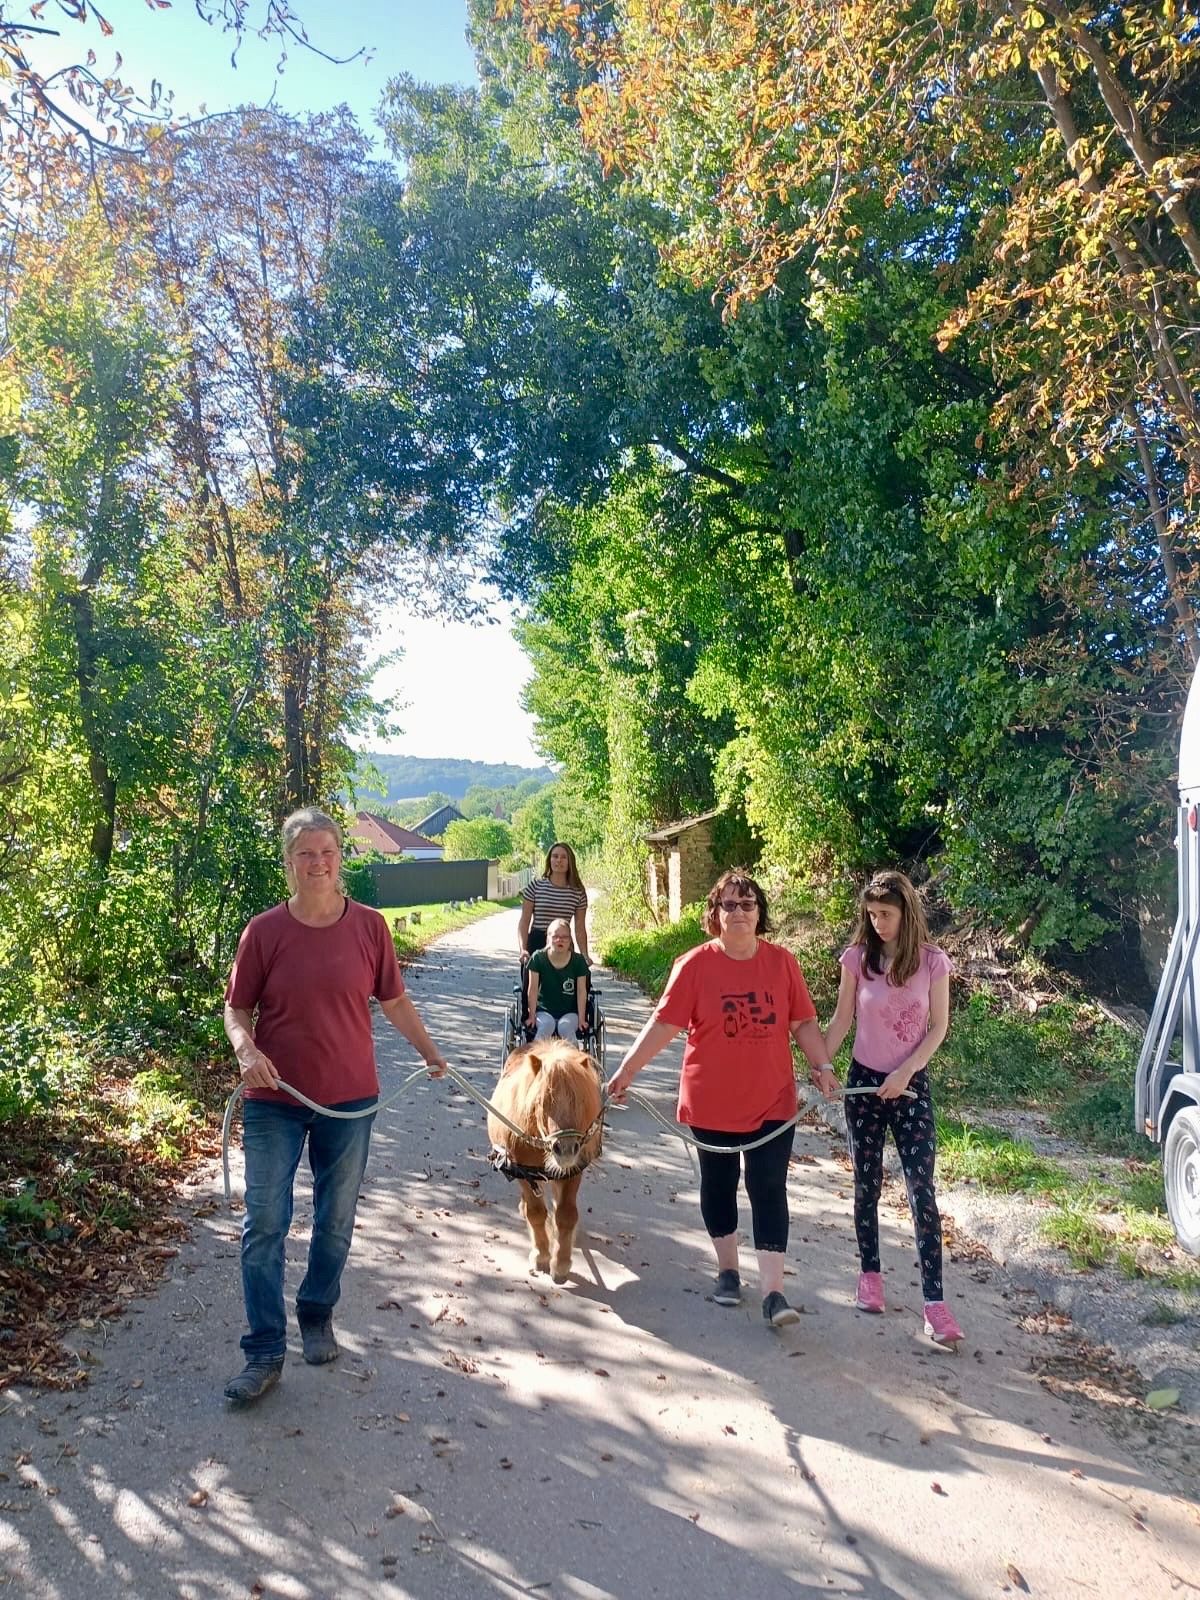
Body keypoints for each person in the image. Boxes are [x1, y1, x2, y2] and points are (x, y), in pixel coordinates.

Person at [221, 807, 449, 1406]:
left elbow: (395, 1001)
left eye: (327, 852)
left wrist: (430, 1052)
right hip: (275, 1098)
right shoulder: (264, 932)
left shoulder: (370, 927)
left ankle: (317, 1311)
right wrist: (245, 1050)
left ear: (340, 857)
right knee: (264, 1223)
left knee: (336, 1218)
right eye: (305, 854)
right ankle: (265, 1350)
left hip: (350, 1100)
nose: (318, 863)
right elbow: (236, 1010)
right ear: (288, 862)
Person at [607, 868, 839, 1328]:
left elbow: (803, 1023)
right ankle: (728, 1271)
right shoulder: (693, 965)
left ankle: (774, 1292)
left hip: (773, 1101)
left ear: (759, 914)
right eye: (728, 904)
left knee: (769, 1187)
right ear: (713, 914)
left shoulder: (782, 963)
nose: (737, 911)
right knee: (718, 1184)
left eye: (746, 904)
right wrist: (627, 1072)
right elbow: (664, 1026)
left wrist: (823, 1065)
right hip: (711, 1101)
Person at [822, 869, 963, 1347]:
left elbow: (938, 1026)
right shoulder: (857, 959)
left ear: (906, 912)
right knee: (868, 1184)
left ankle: (935, 1303)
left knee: (922, 1189)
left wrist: (906, 1072)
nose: (877, 921)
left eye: (886, 913)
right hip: (863, 1086)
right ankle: (870, 1276)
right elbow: (842, 1018)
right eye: (872, 914)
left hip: (911, 1087)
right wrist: (822, 1065)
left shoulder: (932, 962)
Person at [518, 842, 590, 962]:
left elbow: (580, 927)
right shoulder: (535, 886)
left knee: (575, 980)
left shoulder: (578, 892)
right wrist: (523, 950)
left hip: (563, 944)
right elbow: (524, 921)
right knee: (533, 981)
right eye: (555, 856)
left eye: (563, 857)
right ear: (549, 860)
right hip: (537, 942)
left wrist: (584, 954)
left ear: (570, 862)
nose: (559, 860)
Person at [526, 918, 590, 1040]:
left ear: (570, 940)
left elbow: (582, 992)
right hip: (543, 1011)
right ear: (548, 938)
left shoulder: (578, 961)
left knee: (565, 1027)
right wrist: (531, 1015)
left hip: (570, 1012)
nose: (560, 940)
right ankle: (537, 1057)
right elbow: (532, 989)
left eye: (565, 937)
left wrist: (582, 1018)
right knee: (546, 1026)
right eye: (555, 936)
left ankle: (573, 1058)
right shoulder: (538, 958)